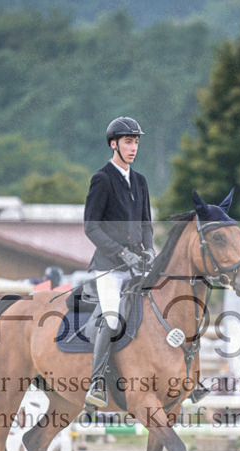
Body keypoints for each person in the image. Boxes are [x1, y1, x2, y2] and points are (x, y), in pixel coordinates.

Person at [82, 116, 155, 410]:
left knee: (160, 310)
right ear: (114, 144)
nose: (133, 147)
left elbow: (146, 223)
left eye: (136, 141)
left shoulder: (140, 180)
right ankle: (97, 382)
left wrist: (149, 249)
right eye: (127, 141)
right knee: (112, 319)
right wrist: (122, 254)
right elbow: (91, 227)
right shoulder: (102, 179)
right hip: (109, 267)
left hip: (138, 265)